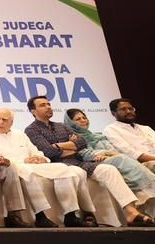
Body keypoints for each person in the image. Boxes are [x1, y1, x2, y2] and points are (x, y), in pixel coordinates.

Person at [65, 108, 155, 225]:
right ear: (70, 122)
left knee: (129, 163)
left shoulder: (97, 136)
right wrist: (104, 154)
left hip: (111, 159)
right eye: (78, 119)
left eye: (84, 117)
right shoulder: (73, 137)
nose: (83, 120)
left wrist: (108, 153)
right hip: (93, 164)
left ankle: (147, 213)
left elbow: (113, 151)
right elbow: (85, 154)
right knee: (122, 159)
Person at [0, 108, 67, 228]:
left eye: (4, 120)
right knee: (26, 171)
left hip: (28, 165)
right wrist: (1, 158)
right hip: (3, 167)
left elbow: (35, 151)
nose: (0, 122)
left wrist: (41, 158)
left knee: (62, 168)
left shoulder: (19, 134)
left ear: (11, 122)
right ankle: (40, 216)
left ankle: (71, 214)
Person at [23, 97, 103, 227]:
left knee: (109, 169)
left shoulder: (61, 126)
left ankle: (131, 211)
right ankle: (84, 213)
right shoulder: (31, 129)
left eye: (48, 104)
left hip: (77, 161)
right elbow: (48, 152)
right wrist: (72, 146)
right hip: (56, 163)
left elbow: (82, 143)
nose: (48, 107)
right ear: (33, 111)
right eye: (43, 105)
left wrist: (58, 146)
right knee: (77, 172)